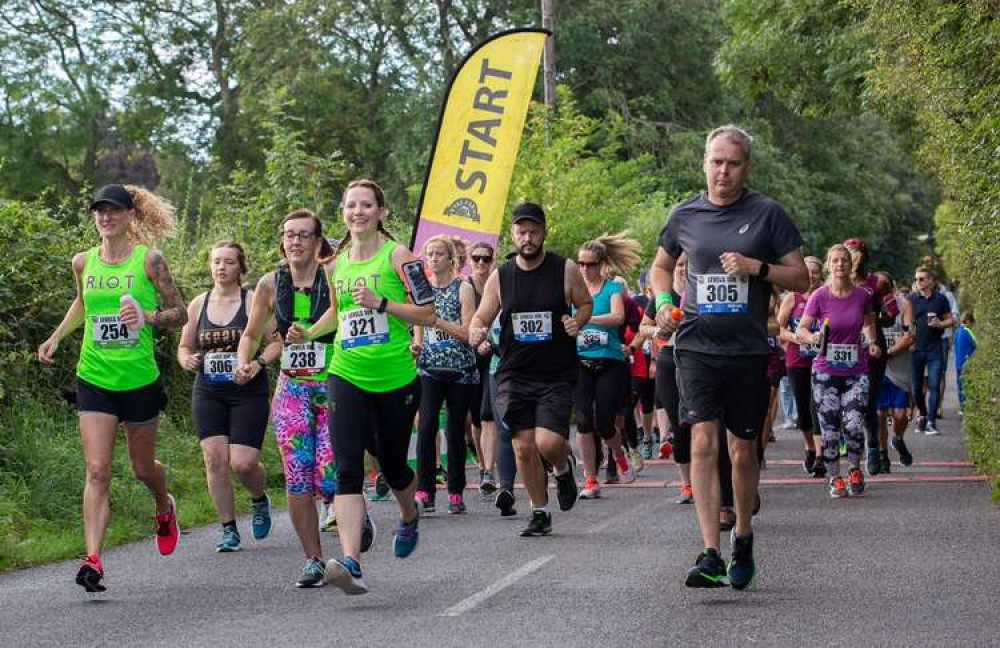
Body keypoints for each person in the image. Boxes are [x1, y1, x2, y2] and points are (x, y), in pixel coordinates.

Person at [649, 125, 808, 590]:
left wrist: (756, 267)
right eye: (716, 162)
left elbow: (799, 278)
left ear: (746, 167)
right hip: (695, 346)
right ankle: (709, 551)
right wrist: (662, 303)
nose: (723, 171)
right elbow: (660, 266)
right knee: (701, 441)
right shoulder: (685, 215)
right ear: (704, 163)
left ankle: (742, 536)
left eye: (732, 163)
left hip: (746, 350)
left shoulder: (767, 215)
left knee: (741, 451)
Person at [38, 183, 187, 592]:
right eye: (99, 212)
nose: (106, 217)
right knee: (98, 469)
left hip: (138, 379)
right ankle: (93, 559)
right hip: (95, 377)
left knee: (143, 468)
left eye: (114, 211)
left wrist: (148, 316)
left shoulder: (149, 261)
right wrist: (56, 336)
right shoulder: (83, 262)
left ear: (129, 215)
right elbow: (83, 304)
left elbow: (182, 312)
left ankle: (163, 505)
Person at [293, 178, 433, 595]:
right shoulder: (333, 266)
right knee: (348, 468)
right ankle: (351, 560)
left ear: (381, 212)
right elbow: (338, 316)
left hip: (395, 380)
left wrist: (383, 304)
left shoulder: (400, 257)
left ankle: (410, 516)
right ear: (343, 212)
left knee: (392, 465)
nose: (358, 212)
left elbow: (426, 313)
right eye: (351, 206)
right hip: (346, 374)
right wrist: (308, 331)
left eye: (366, 205)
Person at [236, 209, 343, 588]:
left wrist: (311, 333)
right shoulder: (270, 282)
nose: (295, 242)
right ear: (282, 241)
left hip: (334, 381)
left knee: (331, 475)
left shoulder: (333, 275)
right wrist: (243, 360)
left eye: (303, 235)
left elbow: (341, 313)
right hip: (292, 388)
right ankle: (313, 559)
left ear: (318, 241)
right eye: (289, 235)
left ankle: (350, 514)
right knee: (298, 477)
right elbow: (251, 333)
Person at [469, 202, 588, 537]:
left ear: (544, 232)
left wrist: (575, 320)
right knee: (523, 446)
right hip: (513, 373)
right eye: (522, 231)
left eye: (534, 230)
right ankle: (540, 512)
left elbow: (585, 303)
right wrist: (477, 329)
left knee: (548, 442)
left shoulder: (564, 270)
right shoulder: (501, 276)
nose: (528, 237)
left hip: (555, 373)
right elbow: (482, 315)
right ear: (513, 234)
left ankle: (563, 468)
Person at [177, 241, 281, 552]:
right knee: (214, 458)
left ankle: (259, 500)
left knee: (244, 463)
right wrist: (187, 359)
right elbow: (184, 346)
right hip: (209, 389)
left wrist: (257, 363)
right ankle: (228, 529)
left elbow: (275, 343)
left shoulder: (253, 301)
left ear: (240, 267)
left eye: (229, 262)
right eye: (216, 262)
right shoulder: (198, 304)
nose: (221, 267)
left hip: (247, 390)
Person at [796, 244, 881, 498]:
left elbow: (868, 324)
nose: (840, 265)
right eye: (835, 261)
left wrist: (872, 342)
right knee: (830, 428)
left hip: (856, 371)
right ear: (828, 265)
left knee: (854, 423)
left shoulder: (862, 296)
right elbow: (801, 330)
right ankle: (835, 476)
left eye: (844, 260)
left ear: (850, 264)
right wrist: (813, 338)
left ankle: (855, 468)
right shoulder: (819, 296)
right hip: (825, 372)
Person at [412, 236, 479, 515]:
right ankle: (425, 490)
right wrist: (417, 342)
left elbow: (468, 333)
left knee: (454, 430)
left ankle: (455, 491)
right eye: (430, 254)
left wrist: (436, 322)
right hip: (429, 367)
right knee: (426, 426)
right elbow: (418, 322)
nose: (434, 258)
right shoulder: (422, 289)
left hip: (460, 368)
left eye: (439, 254)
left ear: (450, 258)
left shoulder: (463, 288)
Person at [574, 234, 641, 500]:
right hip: (580, 362)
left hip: (609, 361)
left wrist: (584, 318)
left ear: (601, 264)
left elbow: (618, 317)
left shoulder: (613, 288)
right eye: (580, 264)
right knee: (582, 421)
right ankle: (590, 479)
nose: (584, 269)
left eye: (590, 264)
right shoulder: (573, 289)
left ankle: (618, 454)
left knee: (604, 422)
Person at [843, 237, 895, 475]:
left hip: (872, 346)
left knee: (869, 402)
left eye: (859, 252)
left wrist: (872, 317)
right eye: (852, 253)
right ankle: (851, 446)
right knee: (849, 401)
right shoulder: (836, 282)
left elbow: (890, 316)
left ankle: (872, 448)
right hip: (844, 345)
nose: (856, 257)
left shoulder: (876, 282)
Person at [777, 256, 824, 476]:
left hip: (824, 361)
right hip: (797, 362)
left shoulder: (826, 296)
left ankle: (821, 455)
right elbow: (778, 329)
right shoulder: (792, 298)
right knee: (804, 411)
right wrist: (797, 337)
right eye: (808, 271)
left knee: (819, 409)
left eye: (815, 272)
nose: (812, 276)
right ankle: (809, 447)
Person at [907, 267, 954, 436]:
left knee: (934, 384)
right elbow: (906, 324)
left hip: (935, 348)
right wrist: (907, 340)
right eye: (915, 279)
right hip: (915, 349)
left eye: (921, 279)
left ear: (929, 281)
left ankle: (931, 422)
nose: (917, 282)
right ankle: (923, 414)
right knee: (916, 387)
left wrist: (940, 324)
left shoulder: (941, 299)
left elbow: (951, 320)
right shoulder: (910, 299)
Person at [466, 241, 498, 493]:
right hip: (468, 356)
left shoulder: (499, 284)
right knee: (475, 418)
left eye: (485, 259)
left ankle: (489, 470)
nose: (480, 263)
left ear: (492, 260)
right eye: (476, 258)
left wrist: (490, 341)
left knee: (488, 415)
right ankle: (481, 462)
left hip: (494, 355)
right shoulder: (464, 287)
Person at [878, 276, 916, 467]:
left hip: (899, 368)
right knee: (880, 414)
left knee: (901, 415)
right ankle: (883, 454)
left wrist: (889, 352)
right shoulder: (868, 304)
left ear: (892, 287)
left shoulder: (904, 305)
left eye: (885, 286)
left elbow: (910, 336)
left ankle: (897, 438)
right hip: (877, 368)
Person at [954, 311, 977, 413]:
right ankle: (967, 407)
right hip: (967, 362)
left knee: (960, 384)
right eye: (972, 323)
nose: (973, 325)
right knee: (967, 384)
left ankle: (962, 407)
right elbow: (977, 344)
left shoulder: (957, 331)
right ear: (968, 321)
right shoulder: (967, 331)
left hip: (958, 362)